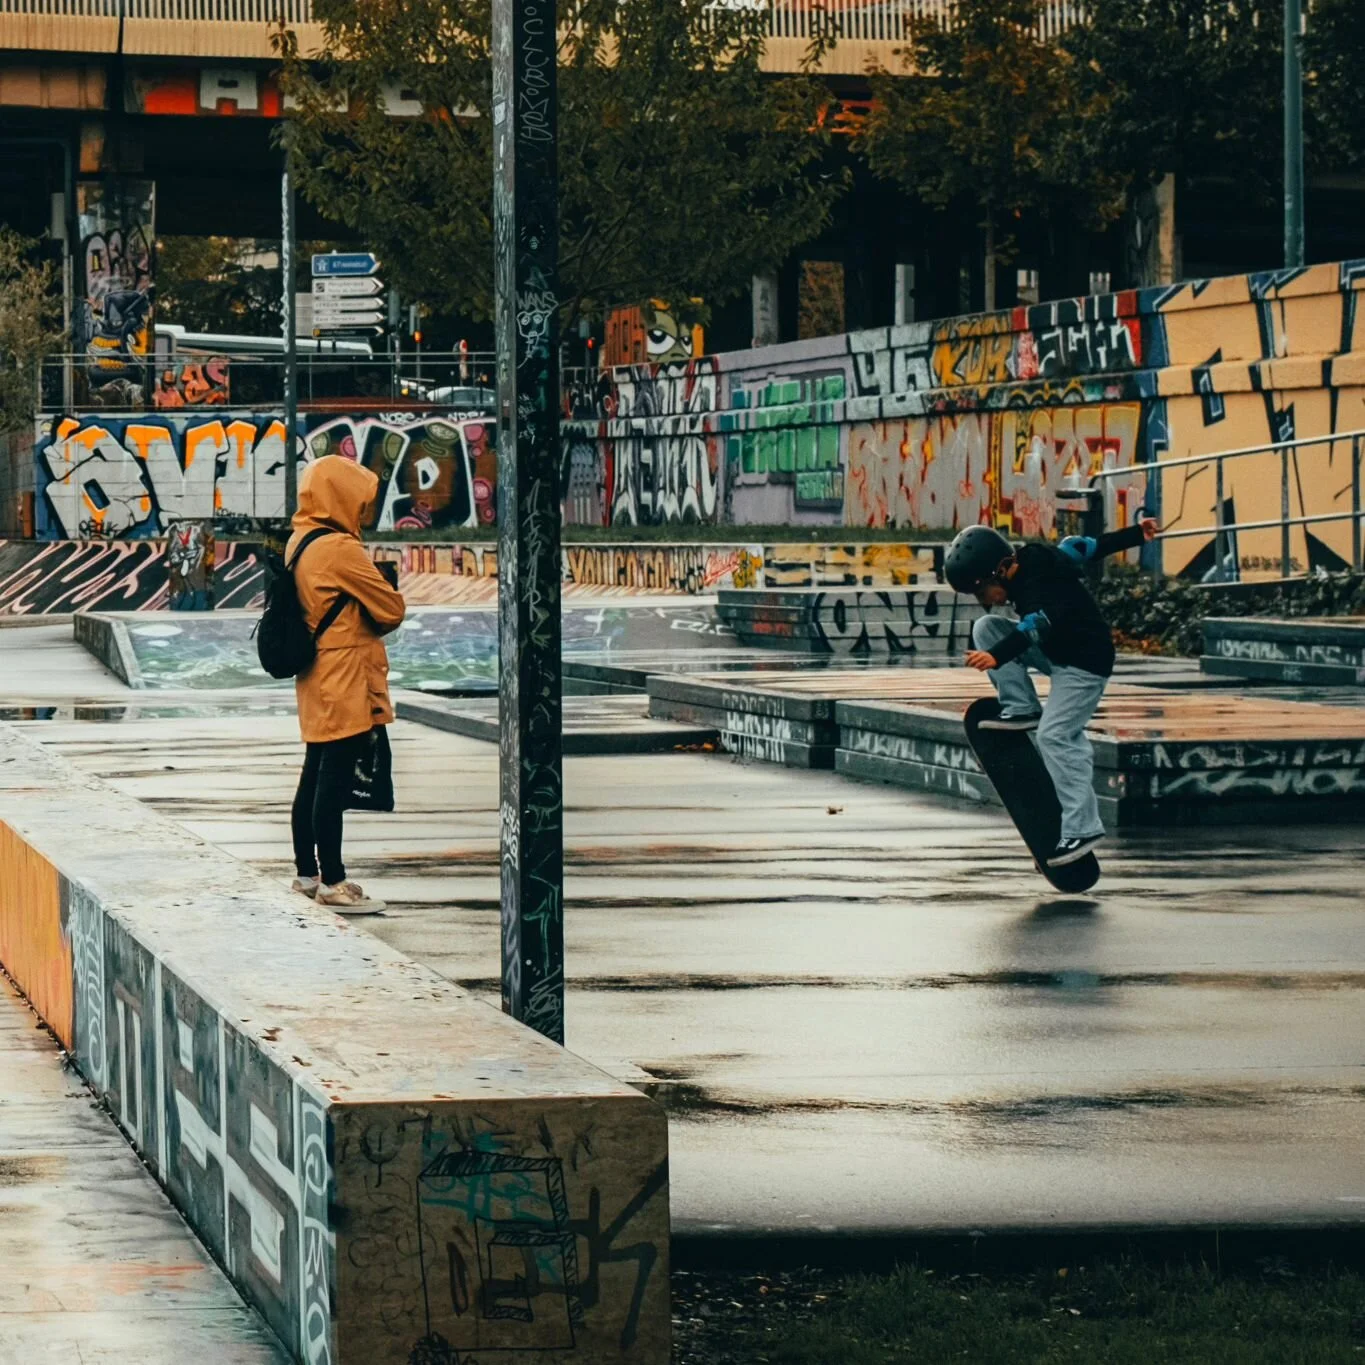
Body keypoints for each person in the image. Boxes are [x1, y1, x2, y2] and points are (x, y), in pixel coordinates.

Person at [945, 518, 1159, 867]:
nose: (986, 600)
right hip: (1056, 652)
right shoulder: (1044, 556)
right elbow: (1087, 546)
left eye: (983, 592)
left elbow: (1033, 626)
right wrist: (1136, 534)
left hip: (1084, 666)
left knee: (1056, 736)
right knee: (987, 628)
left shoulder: (1041, 584)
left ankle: (1083, 828)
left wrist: (997, 656)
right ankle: (1021, 707)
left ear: (1000, 569)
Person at [286, 456, 406, 913]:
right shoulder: (340, 549)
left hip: (316, 671)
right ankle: (334, 880)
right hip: (345, 674)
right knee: (332, 780)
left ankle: (306, 873)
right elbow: (391, 609)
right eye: (359, 500)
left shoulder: (301, 541)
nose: (363, 510)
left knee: (315, 770)